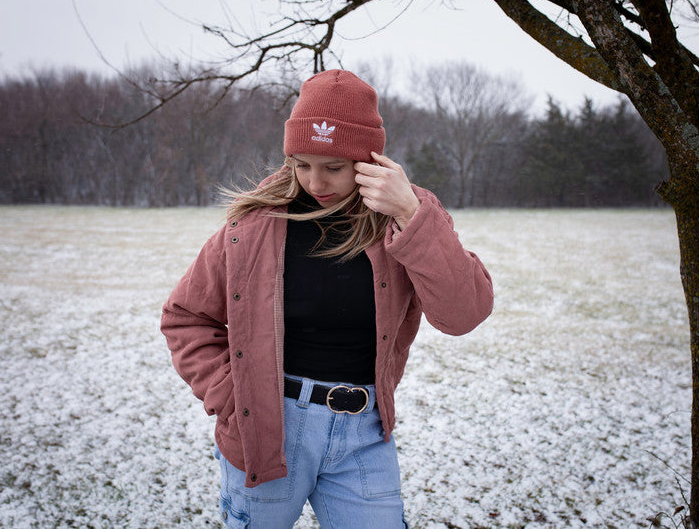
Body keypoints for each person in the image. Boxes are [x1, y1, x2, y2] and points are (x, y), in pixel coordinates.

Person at [160, 69, 494, 528]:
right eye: (301, 163)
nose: (314, 181)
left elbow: (464, 314)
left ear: (369, 159)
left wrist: (411, 214)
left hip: (365, 434)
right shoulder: (254, 227)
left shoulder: (406, 218)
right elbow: (185, 317)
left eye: (333, 166)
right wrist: (232, 396)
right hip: (267, 430)